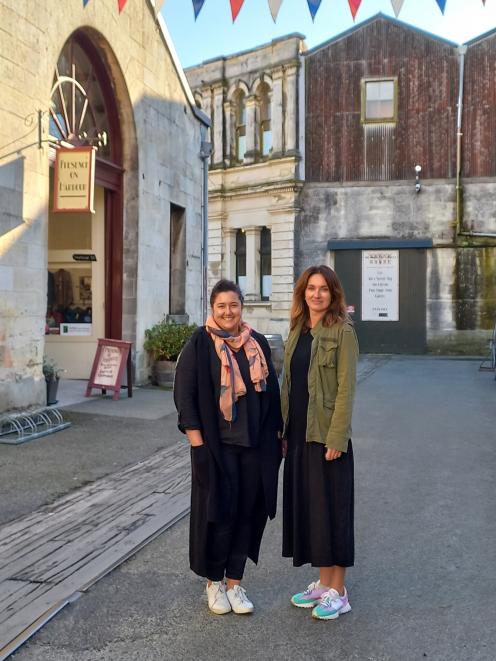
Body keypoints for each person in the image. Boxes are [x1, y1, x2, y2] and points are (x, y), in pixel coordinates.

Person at [174, 279, 282, 615]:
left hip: (254, 448)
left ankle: (235, 582)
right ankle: (214, 582)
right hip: (216, 450)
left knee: (248, 514)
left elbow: (273, 396)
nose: (228, 312)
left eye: (233, 305)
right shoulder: (200, 343)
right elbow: (185, 395)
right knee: (219, 514)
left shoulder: (257, 343)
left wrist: (278, 437)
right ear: (212, 309)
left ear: (241, 307)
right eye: (221, 306)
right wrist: (198, 446)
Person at [281, 265, 359, 621]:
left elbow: (346, 389)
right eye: (311, 288)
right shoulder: (298, 330)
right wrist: (282, 432)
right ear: (303, 293)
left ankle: (339, 592)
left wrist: (337, 437)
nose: (316, 294)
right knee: (314, 512)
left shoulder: (343, 332)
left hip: (327, 437)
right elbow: (289, 385)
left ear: (333, 294)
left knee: (334, 511)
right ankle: (325, 584)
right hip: (299, 435)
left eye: (323, 289)